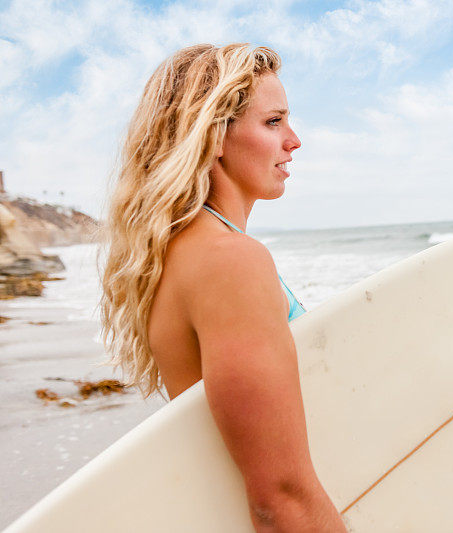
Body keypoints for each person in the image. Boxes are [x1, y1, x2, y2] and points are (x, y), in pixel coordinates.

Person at [98, 43, 348, 532]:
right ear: (213, 135)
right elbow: (279, 498)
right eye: (273, 122)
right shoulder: (229, 261)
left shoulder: (176, 255)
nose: (294, 141)